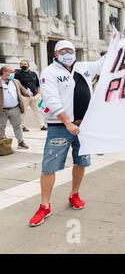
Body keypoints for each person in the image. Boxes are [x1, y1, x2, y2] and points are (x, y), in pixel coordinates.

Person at [28, 40, 106, 227]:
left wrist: (118, 44)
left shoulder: (82, 67)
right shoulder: (49, 72)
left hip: (83, 127)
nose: (67, 54)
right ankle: (44, 205)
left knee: (81, 162)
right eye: (63, 51)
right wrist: (67, 122)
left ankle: (74, 194)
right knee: (49, 167)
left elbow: (104, 63)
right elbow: (52, 100)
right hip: (60, 127)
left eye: (70, 50)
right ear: (56, 54)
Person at [0, 65, 31, 150]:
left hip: (15, 108)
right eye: (10, 72)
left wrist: (28, 93)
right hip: (2, 110)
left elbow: (22, 90)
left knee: (17, 126)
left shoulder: (15, 81)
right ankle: (2, 143)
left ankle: (21, 142)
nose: (13, 73)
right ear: (4, 72)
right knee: (1, 127)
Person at [14, 59, 47, 132]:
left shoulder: (33, 73)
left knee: (38, 111)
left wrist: (38, 93)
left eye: (25, 64)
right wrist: (21, 95)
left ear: (28, 65)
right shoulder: (17, 74)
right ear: (20, 65)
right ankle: (23, 126)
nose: (23, 65)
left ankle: (42, 126)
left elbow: (38, 84)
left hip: (35, 97)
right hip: (24, 97)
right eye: (22, 64)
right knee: (23, 112)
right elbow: (16, 86)